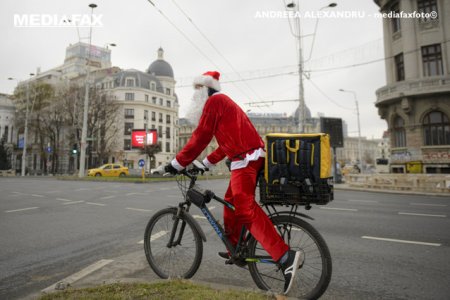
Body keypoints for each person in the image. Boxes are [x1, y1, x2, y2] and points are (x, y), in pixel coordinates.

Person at [165, 71, 303, 294]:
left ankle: (285, 256)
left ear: (206, 89)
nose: (194, 95)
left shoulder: (215, 101)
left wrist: (177, 163)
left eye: (197, 90)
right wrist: (206, 163)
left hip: (246, 159)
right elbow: (224, 142)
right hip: (248, 157)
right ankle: (235, 249)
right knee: (230, 202)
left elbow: (201, 136)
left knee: (244, 208)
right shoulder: (223, 104)